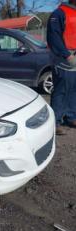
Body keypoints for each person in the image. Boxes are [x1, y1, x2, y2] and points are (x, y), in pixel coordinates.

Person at [47, 0, 76, 135]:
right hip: (64, 57)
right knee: (61, 89)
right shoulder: (59, 13)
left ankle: (71, 117)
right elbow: (54, 37)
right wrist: (66, 55)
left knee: (74, 89)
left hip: (74, 55)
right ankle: (55, 122)